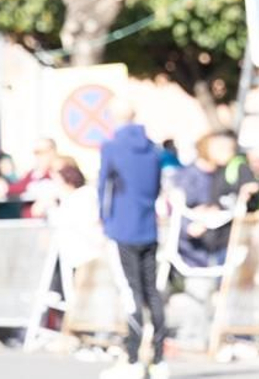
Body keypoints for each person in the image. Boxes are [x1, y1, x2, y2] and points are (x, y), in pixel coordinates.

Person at [98, 100, 169, 379]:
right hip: (148, 226)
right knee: (152, 291)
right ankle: (159, 359)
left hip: (121, 227)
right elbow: (156, 188)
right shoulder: (153, 150)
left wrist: (102, 221)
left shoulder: (112, 147)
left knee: (131, 292)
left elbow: (103, 187)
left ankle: (132, 359)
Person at [172, 131, 251, 271]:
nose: (229, 153)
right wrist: (191, 224)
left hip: (221, 242)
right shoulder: (188, 177)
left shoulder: (224, 172)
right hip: (195, 252)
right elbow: (177, 209)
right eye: (222, 148)